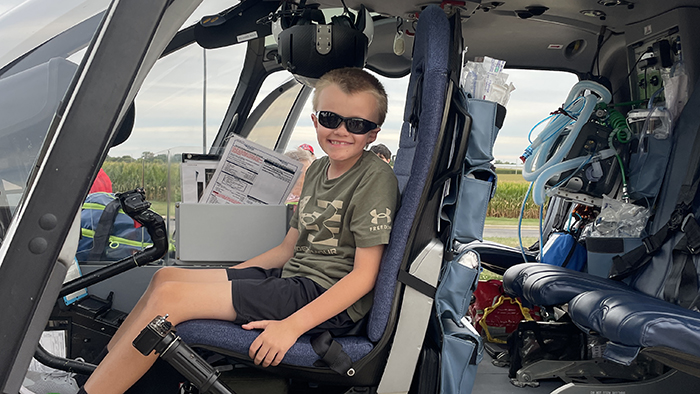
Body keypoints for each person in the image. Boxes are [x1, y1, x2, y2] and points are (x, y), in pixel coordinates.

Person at [80, 67, 399, 394]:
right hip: (290, 281)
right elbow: (286, 250)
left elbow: (364, 276)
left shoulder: (374, 179)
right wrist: (226, 277)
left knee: (172, 300)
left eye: (357, 124)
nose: (342, 131)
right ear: (316, 120)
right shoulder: (317, 169)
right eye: (332, 119)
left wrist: (292, 327)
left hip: (322, 297)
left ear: (373, 133)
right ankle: (95, 372)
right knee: (165, 279)